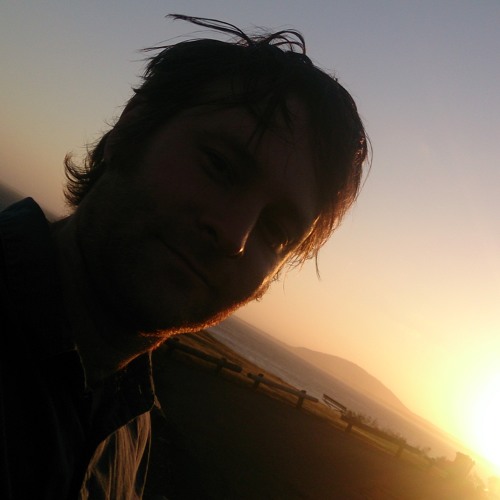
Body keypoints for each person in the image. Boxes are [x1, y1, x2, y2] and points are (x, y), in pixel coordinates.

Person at [0, 14, 368, 500]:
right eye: (219, 165)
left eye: (276, 230)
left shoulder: (130, 429)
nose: (234, 236)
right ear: (131, 127)